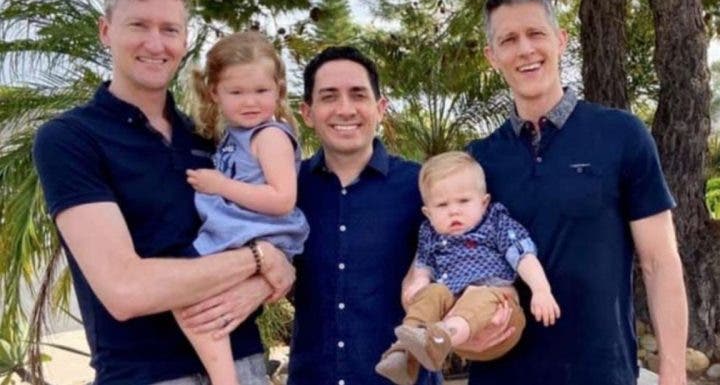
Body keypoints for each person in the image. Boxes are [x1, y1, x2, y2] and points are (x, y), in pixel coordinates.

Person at [33, 0, 294, 385]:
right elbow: (125, 290)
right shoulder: (71, 138)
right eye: (139, 25)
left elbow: (278, 242)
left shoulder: (211, 139)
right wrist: (258, 259)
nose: (156, 44)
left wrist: (268, 277)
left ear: (184, 40)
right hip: (146, 375)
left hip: (244, 365)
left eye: (169, 29)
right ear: (105, 31)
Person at [465, 0, 688, 385]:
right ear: (492, 56)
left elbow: (660, 262)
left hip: (601, 373)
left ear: (561, 40)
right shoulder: (477, 160)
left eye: (536, 33)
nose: (525, 49)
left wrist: (673, 370)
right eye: (509, 40)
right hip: (501, 375)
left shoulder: (622, 135)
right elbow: (457, 260)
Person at [287, 46, 440, 385]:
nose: (345, 109)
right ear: (307, 112)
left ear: (380, 108)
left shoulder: (421, 186)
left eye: (358, 95)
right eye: (329, 96)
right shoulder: (287, 189)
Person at [174, 31, 309, 385]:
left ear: (279, 90)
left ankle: (224, 379)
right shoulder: (233, 135)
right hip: (240, 229)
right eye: (236, 92)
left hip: (258, 230)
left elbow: (283, 199)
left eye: (261, 91)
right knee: (197, 300)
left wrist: (220, 185)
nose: (250, 102)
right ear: (214, 93)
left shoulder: (270, 136)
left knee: (182, 288)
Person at [376, 151, 559, 385]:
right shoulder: (430, 234)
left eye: (463, 201)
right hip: (454, 308)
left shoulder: (495, 222)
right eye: (442, 205)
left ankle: (443, 336)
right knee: (433, 292)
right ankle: (403, 353)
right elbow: (422, 266)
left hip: (498, 308)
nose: (454, 210)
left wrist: (541, 290)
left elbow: (523, 256)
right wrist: (419, 284)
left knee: (481, 296)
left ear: (484, 202)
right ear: (428, 213)